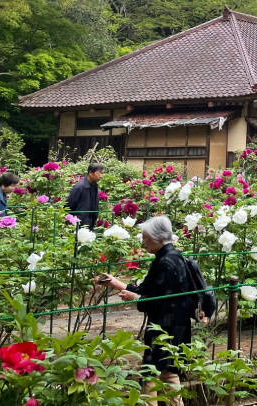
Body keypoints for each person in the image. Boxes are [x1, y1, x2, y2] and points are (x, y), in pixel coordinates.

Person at [97, 216, 195, 406]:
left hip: (165, 327)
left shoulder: (166, 263)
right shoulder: (170, 257)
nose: (143, 242)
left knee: (151, 375)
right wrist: (116, 283)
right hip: (176, 326)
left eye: (145, 237)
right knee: (168, 374)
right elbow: (150, 290)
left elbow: (160, 300)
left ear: (158, 238)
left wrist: (136, 299)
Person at [65, 163, 104, 228]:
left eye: (102, 173)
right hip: (79, 222)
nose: (101, 176)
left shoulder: (95, 185)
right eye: (99, 173)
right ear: (90, 173)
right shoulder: (79, 187)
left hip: (91, 221)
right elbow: (69, 206)